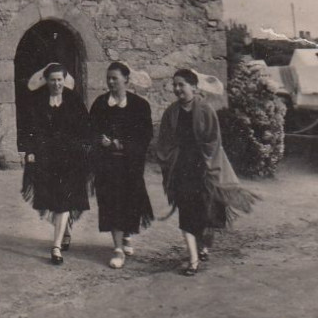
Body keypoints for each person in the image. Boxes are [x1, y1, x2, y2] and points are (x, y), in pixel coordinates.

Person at [156, 68, 258, 276]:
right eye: (174, 85)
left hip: (203, 168)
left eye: (181, 85)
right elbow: (164, 141)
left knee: (205, 213)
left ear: (194, 87)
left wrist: (205, 161)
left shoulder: (205, 110)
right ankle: (193, 259)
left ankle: (203, 246)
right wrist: (170, 160)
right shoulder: (171, 113)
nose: (177, 89)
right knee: (186, 213)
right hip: (181, 169)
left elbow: (213, 140)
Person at [20, 62, 91, 265]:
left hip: (70, 158)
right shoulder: (37, 101)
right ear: (47, 81)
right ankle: (66, 230)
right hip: (46, 157)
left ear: (64, 80)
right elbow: (29, 128)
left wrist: (83, 147)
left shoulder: (74, 100)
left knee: (63, 200)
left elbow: (85, 127)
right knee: (55, 199)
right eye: (53, 80)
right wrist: (30, 151)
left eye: (60, 80)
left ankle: (56, 247)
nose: (56, 84)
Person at [89, 61, 154, 269]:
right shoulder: (100, 104)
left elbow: (145, 135)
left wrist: (123, 144)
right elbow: (90, 130)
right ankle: (117, 248)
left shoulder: (139, 106)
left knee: (130, 203)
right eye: (108, 78)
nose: (110, 82)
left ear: (126, 79)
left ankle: (126, 236)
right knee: (111, 203)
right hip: (107, 165)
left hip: (130, 165)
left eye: (114, 78)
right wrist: (101, 140)